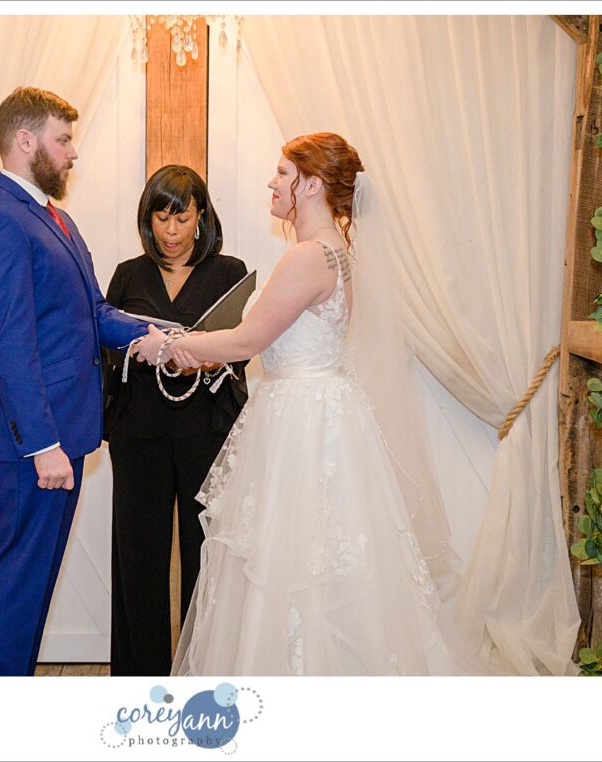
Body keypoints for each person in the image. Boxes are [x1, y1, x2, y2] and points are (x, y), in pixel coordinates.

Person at [167, 133, 475, 675]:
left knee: (294, 562)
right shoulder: (338, 251)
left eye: (283, 174)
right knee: (321, 563)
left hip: (302, 424)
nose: (272, 182)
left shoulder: (309, 257)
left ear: (311, 185)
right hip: (319, 411)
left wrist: (170, 346)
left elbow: (244, 342)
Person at [0, 86, 163, 676]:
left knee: (33, 591)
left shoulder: (54, 218)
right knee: (14, 591)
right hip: (31, 444)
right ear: (26, 142)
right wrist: (43, 445)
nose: (73, 153)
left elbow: (91, 312)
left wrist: (156, 334)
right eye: (64, 139)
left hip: (63, 436)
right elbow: (7, 343)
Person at [102, 165, 249, 676]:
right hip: (138, 434)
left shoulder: (229, 272)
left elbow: (243, 351)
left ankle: (202, 672)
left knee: (205, 555)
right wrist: (135, 352)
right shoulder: (128, 274)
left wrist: (202, 354)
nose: (170, 230)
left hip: (207, 434)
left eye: (180, 217)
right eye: (160, 217)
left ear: (201, 216)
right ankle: (138, 679)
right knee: (137, 559)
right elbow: (101, 345)